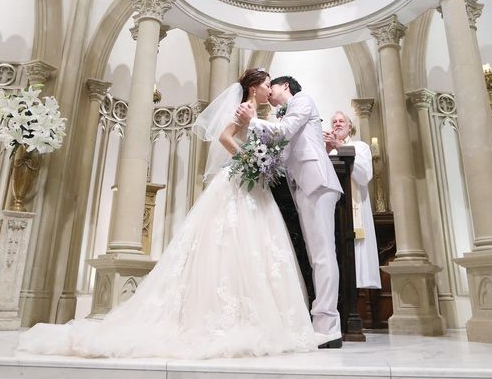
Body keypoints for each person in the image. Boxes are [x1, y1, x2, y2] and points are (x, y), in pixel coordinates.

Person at [17, 69, 316, 359]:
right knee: (228, 241)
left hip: (254, 185)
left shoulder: (258, 113)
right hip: (240, 179)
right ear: (254, 87)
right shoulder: (244, 109)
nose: (269, 89)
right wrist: (247, 158)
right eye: (266, 84)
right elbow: (225, 137)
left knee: (255, 246)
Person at [236, 76, 343, 349]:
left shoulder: (302, 100)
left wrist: (253, 121)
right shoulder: (286, 114)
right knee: (316, 256)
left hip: (318, 182)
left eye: (272, 86)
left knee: (323, 255)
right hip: (303, 186)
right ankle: (322, 322)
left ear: (285, 87)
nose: (269, 91)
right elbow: (283, 152)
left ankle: (328, 326)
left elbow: (284, 132)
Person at [324, 111, 381, 289]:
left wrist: (339, 146)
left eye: (342, 121)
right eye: (334, 121)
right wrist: (326, 151)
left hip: (352, 208)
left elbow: (364, 175)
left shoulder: (360, 146)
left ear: (350, 127)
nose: (337, 124)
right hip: (331, 207)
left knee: (353, 252)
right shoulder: (326, 149)